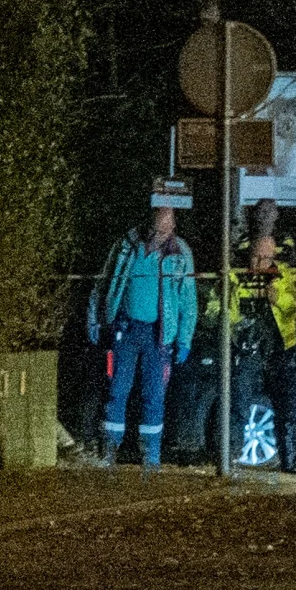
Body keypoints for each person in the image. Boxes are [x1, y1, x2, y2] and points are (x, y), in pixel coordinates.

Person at [91, 182, 201, 465]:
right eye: (157, 229)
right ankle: (110, 450)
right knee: (117, 390)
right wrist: (96, 321)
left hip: (159, 335)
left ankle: (150, 454)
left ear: (173, 227)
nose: (161, 235)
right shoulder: (126, 246)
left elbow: (188, 300)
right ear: (149, 223)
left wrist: (184, 339)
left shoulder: (180, 254)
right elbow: (104, 283)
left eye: (166, 230)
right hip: (125, 330)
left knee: (154, 395)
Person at [225, 228, 296, 468]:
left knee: (287, 410)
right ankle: (232, 459)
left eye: (265, 257)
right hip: (247, 353)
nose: (259, 262)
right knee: (237, 406)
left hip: (280, 351)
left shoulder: (287, 276)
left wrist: (279, 300)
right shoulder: (237, 277)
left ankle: (290, 463)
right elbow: (223, 309)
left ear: (273, 255)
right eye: (255, 256)